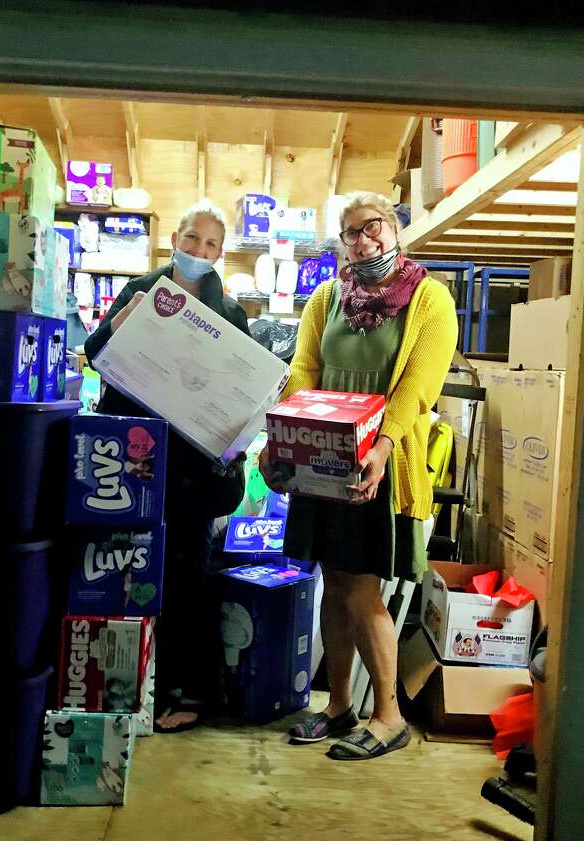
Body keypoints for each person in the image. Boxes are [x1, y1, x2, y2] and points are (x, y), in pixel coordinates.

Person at [260, 191, 457, 760]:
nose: (364, 239)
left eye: (373, 227)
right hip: (322, 458)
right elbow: (304, 370)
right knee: (334, 581)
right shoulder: (327, 297)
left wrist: (384, 445)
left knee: (363, 586)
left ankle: (389, 715)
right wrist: (283, 441)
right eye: (351, 232)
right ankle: (339, 704)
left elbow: (419, 385)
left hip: (379, 462)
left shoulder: (429, 299)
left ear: (393, 228)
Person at [84, 200, 251, 732]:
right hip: (135, 460)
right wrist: (122, 325)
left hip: (194, 471)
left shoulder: (229, 313)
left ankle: (193, 692)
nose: (199, 251)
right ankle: (136, 684)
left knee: (187, 573)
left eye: (211, 245)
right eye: (193, 238)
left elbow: (241, 385)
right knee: (131, 570)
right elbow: (94, 351)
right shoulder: (141, 293)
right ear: (175, 238)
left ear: (219, 254)